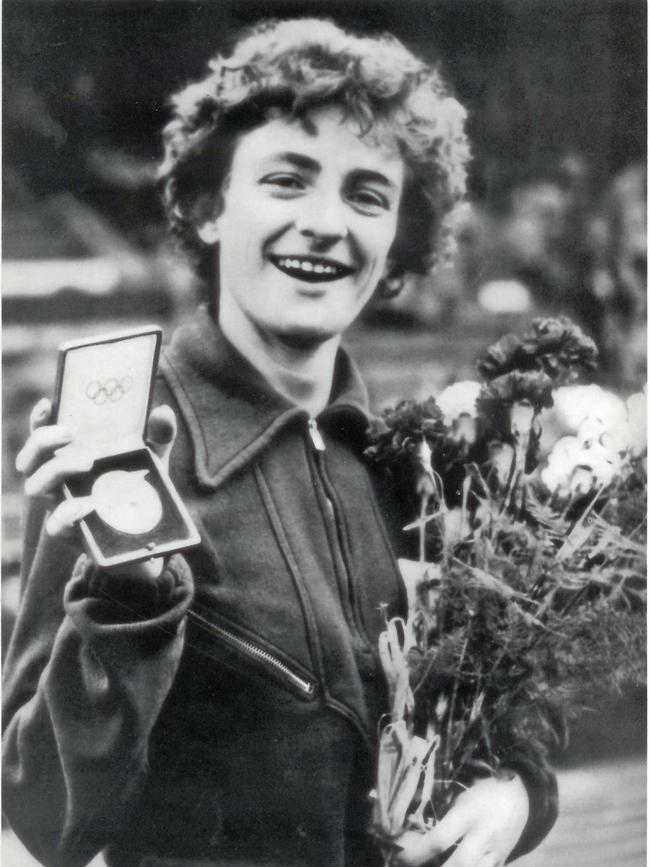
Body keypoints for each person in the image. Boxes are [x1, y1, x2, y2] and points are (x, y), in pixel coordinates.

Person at [3, 18, 557, 867]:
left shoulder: (420, 468)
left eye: (368, 194)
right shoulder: (119, 457)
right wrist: (128, 596)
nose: (327, 224)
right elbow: (50, 822)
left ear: (397, 241)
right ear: (207, 206)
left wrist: (517, 790)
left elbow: (509, 697)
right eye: (287, 180)